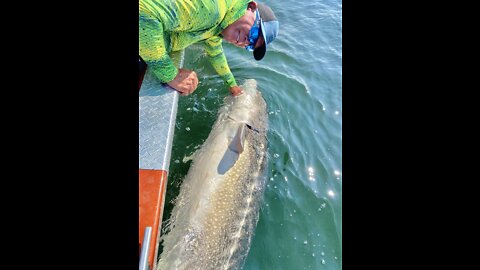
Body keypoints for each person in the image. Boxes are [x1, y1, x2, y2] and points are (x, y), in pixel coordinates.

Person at [139, 0, 279, 96]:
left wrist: (232, 85)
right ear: (251, 6)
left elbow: (216, 54)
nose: (246, 42)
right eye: (254, 35)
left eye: (251, 46)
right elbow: (142, 12)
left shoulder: (219, 26)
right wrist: (170, 75)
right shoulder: (212, 10)